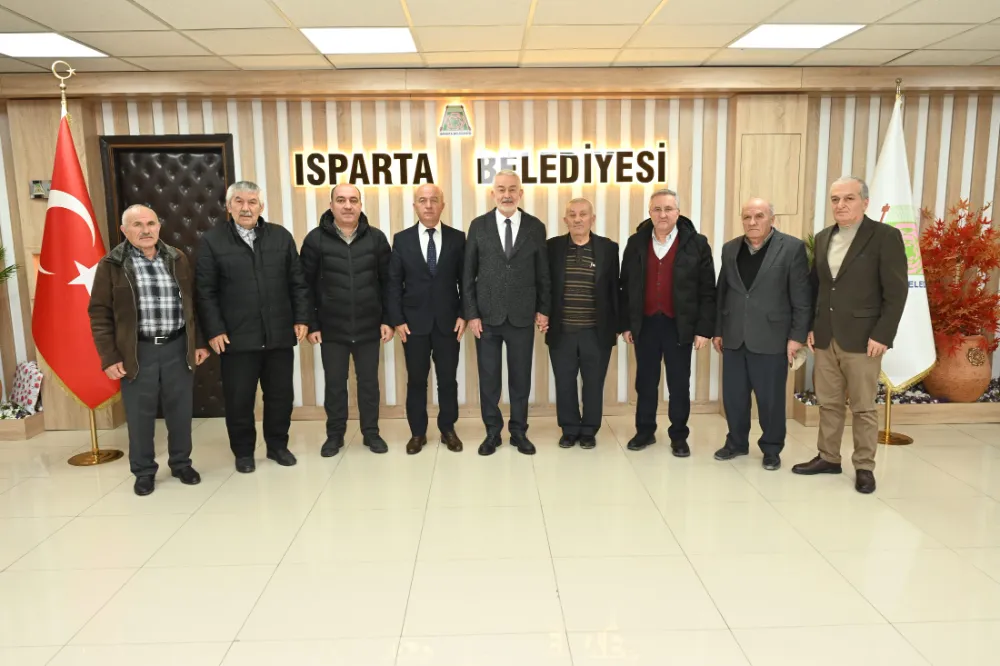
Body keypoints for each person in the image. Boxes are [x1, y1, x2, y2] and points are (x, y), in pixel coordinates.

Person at [792, 176, 908, 494]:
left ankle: (864, 466)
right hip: (826, 336)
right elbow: (817, 288)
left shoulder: (885, 237)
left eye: (848, 198)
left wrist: (883, 334)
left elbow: (896, 292)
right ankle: (828, 457)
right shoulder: (823, 237)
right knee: (828, 403)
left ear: (865, 202)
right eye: (835, 199)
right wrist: (811, 327)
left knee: (863, 407)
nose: (840, 205)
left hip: (864, 338)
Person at [89, 204, 209, 495]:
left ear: (159, 226)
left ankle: (181, 463)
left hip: (177, 347)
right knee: (139, 416)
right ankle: (143, 471)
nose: (146, 230)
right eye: (137, 225)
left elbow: (193, 303)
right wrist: (109, 357)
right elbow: (99, 313)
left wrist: (199, 342)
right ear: (124, 230)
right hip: (137, 351)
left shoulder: (177, 258)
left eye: (151, 224)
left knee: (180, 412)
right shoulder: (112, 264)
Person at [195, 181, 311, 473]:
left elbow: (298, 282)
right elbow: (205, 291)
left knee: (280, 397)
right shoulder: (212, 241)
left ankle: (277, 446)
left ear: (262, 206)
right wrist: (214, 330)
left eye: (252, 202)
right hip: (236, 338)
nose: (245, 208)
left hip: (279, 335)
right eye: (239, 201)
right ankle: (244, 452)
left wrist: (301, 318)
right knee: (239, 400)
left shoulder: (281, 237)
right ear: (228, 206)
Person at [712, 197, 811, 470]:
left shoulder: (791, 248)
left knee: (770, 400)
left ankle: (771, 448)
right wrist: (718, 330)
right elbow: (722, 292)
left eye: (759, 216)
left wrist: (797, 337)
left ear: (772, 219)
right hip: (734, 336)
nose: (752, 222)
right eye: (747, 217)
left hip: (772, 337)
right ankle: (736, 442)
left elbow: (801, 298)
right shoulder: (730, 249)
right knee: (734, 397)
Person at [620, 188, 715, 456]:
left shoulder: (697, 243)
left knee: (679, 383)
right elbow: (625, 286)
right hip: (646, 324)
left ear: (678, 212)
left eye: (668, 209)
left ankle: (679, 436)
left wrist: (703, 329)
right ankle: (645, 431)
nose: (663, 214)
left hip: (679, 325)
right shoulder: (636, 242)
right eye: (657, 209)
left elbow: (708, 290)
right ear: (650, 213)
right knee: (645, 382)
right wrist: (626, 324)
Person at [463, 170, 551, 456]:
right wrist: (471, 313)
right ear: (493, 194)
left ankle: (518, 431)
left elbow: (543, 273)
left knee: (520, 378)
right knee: (489, 379)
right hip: (486, 318)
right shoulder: (478, 226)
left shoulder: (535, 227)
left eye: (512, 189)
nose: (507, 194)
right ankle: (492, 432)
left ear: (521, 193)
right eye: (501, 189)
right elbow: (467, 274)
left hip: (523, 316)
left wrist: (544, 309)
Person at [301, 183, 393, 456]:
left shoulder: (376, 239)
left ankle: (371, 433)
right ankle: (334, 435)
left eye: (353, 200)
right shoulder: (315, 240)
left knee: (369, 384)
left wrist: (388, 320)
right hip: (332, 328)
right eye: (341, 200)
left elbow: (389, 283)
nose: (348, 205)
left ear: (361, 205)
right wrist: (312, 323)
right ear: (331, 205)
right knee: (335, 385)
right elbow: (304, 286)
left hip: (368, 326)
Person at [386, 184, 466, 455]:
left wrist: (464, 314)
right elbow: (394, 283)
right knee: (417, 380)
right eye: (423, 200)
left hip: (448, 323)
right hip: (413, 324)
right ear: (415, 206)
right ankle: (417, 432)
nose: (429, 205)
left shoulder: (457, 238)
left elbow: (466, 281)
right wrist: (397, 320)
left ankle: (447, 429)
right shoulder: (402, 239)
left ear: (443, 205)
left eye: (434, 200)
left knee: (448, 380)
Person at [545, 198, 619, 449]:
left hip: (596, 331)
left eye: (583, 214)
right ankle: (569, 429)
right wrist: (541, 313)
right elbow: (544, 285)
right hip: (562, 330)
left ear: (592, 219)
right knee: (564, 382)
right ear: (565, 220)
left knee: (593, 383)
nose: (578, 219)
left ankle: (589, 430)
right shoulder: (552, 247)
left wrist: (618, 326)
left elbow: (614, 289)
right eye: (572, 214)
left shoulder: (608, 248)